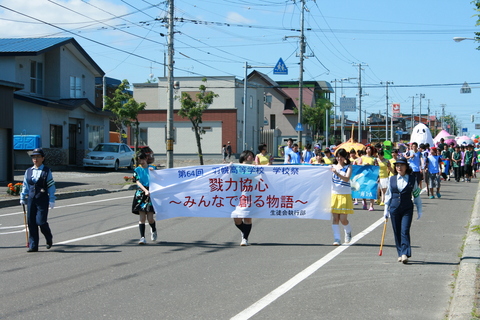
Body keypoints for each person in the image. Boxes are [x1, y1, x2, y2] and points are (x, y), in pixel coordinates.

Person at [383, 156, 423, 264]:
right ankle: (400, 253)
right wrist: (386, 209)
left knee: (404, 230)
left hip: (407, 208)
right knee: (397, 231)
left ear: (406, 167)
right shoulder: (392, 179)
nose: (399, 167)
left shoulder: (412, 179)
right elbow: (388, 195)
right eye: (397, 165)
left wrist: (419, 209)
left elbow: (416, 194)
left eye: (401, 165)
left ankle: (405, 253)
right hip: (394, 208)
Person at [20, 148, 56, 252]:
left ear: (42, 158)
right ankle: (33, 245)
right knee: (31, 222)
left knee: (41, 221)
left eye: (38, 157)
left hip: (42, 199)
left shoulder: (46, 171)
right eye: (33, 157)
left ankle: (48, 237)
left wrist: (52, 199)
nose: (35, 159)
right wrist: (22, 197)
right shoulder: (28, 171)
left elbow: (51, 186)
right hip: (31, 199)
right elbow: (25, 185)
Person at [330, 148, 354, 246]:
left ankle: (348, 232)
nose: (339, 158)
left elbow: (347, 179)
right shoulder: (332, 167)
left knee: (343, 219)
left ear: (345, 157)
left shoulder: (349, 167)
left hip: (345, 195)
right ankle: (337, 238)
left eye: (341, 156)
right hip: (334, 194)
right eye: (337, 156)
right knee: (335, 218)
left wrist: (336, 173)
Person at [132, 153, 157, 244]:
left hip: (151, 193)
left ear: (146, 159)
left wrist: (154, 172)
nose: (141, 162)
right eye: (139, 160)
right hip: (141, 194)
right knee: (142, 218)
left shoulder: (153, 168)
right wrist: (145, 191)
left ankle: (153, 229)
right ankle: (142, 237)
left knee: (150, 218)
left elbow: (160, 178)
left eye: (142, 160)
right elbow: (137, 182)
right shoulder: (137, 170)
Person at [234, 150, 255, 246]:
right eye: (250, 155)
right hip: (236, 196)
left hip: (250, 195)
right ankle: (244, 231)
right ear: (245, 156)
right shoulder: (236, 167)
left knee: (247, 217)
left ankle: (245, 238)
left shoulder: (255, 167)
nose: (252, 157)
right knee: (237, 219)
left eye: (252, 156)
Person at [358, 145, 377, 211]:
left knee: (371, 190)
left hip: (371, 176)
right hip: (363, 176)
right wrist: (364, 164)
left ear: (371, 150)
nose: (368, 150)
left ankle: (371, 205)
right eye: (367, 149)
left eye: (369, 149)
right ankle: (365, 202)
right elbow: (358, 165)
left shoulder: (374, 158)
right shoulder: (362, 157)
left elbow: (376, 167)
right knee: (363, 189)